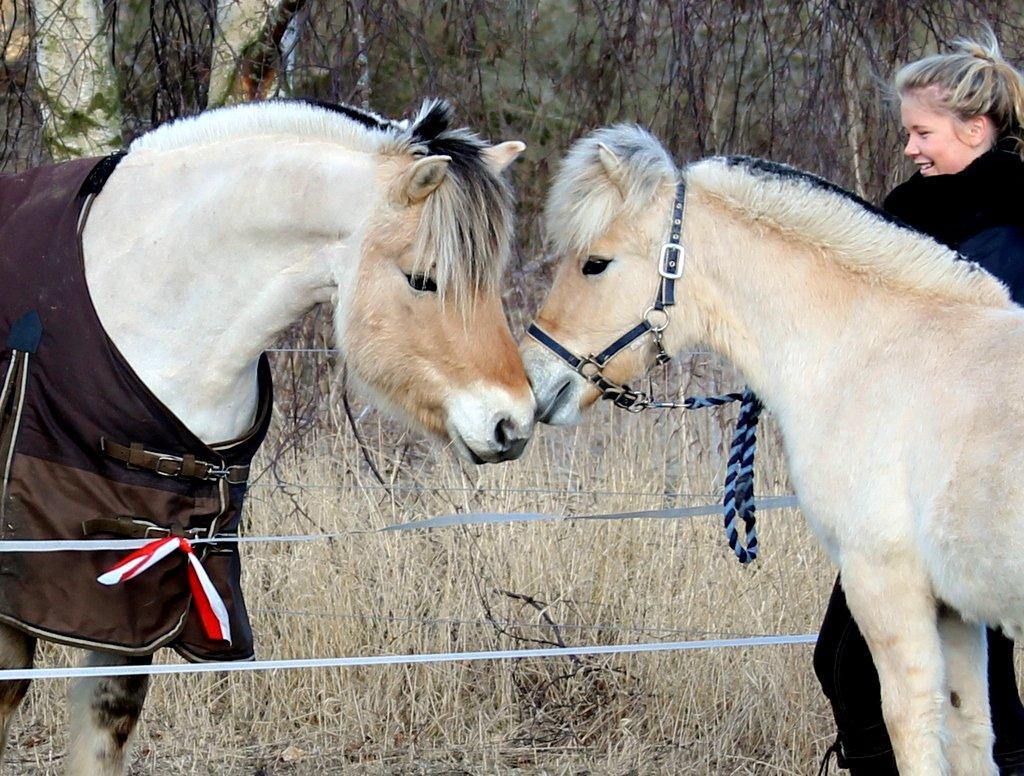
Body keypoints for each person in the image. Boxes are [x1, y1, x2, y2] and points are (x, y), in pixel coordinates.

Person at [814, 31, 1024, 775]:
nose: (909, 147)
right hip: (897, 485)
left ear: (976, 129)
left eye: (922, 132)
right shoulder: (910, 216)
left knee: (973, 687)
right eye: (907, 132)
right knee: (847, 664)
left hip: (968, 495)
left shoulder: (1005, 223)